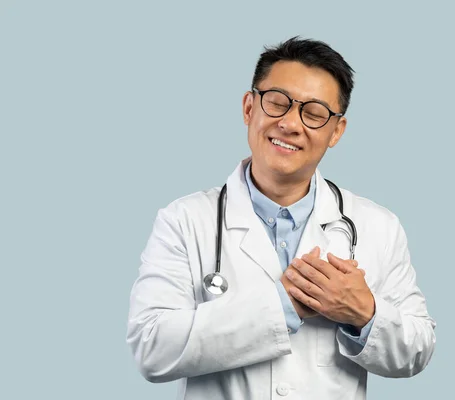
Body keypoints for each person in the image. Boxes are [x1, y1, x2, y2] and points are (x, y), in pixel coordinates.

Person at [126, 36, 436, 400]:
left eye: (315, 113)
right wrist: (283, 305)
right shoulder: (184, 220)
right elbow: (151, 349)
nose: (290, 124)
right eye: (277, 103)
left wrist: (364, 313)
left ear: (336, 131)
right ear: (248, 108)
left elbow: (418, 349)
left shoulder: (377, 227)